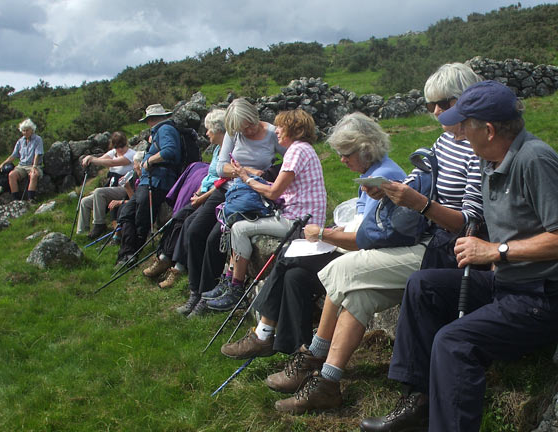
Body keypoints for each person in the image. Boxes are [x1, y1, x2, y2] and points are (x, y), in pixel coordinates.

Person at [271, 63, 485, 415]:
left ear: (465, 100)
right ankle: (327, 382)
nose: (433, 111)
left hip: (444, 250)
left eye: (441, 104)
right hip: (429, 242)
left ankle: (312, 357)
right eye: (431, 104)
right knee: (359, 294)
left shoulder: (476, 148)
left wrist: (419, 203)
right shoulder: (448, 139)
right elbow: (421, 173)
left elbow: (469, 223)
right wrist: (393, 192)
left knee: (342, 270)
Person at [360, 81, 558, 432]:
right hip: (506, 283)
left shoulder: (535, 160)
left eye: (464, 126)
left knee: (454, 342)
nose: (459, 134)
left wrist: (496, 250)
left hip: (540, 296)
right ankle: (418, 400)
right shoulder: (490, 160)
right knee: (423, 286)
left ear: (489, 129)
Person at [219, 112, 406, 359]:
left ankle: (264, 334)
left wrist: (324, 234)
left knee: (289, 258)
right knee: (295, 277)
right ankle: (298, 352)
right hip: (357, 249)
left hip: (368, 257)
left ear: (365, 149)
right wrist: (339, 230)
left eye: (345, 154)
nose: (340, 160)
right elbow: (364, 225)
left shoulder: (384, 177)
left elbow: (366, 239)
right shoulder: (375, 171)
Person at [204, 109, 328, 312]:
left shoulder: (296, 151)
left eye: (281, 127)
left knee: (239, 228)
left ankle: (236, 289)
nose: (276, 131)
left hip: (300, 221)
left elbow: (273, 191)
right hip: (302, 216)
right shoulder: (303, 149)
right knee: (242, 219)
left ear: (294, 130)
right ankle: (229, 282)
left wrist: (246, 178)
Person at [176, 98, 285, 316]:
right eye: (242, 129)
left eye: (250, 126)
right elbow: (219, 167)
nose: (248, 131)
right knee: (195, 230)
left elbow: (291, 159)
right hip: (227, 189)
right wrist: (242, 172)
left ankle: (207, 296)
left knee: (215, 239)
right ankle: (195, 291)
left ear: (254, 117)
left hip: (251, 195)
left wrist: (262, 175)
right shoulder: (233, 132)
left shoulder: (272, 133)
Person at [143, 109, 226, 290]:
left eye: (209, 129)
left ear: (218, 129)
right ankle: (165, 257)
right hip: (203, 194)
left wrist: (202, 197)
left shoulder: (228, 152)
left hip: (213, 197)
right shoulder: (218, 149)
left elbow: (222, 182)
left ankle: (179, 267)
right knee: (178, 217)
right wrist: (198, 191)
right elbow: (210, 176)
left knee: (189, 223)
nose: (206, 133)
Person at [115, 104, 182, 266]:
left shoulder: (165, 129)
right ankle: (127, 252)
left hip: (157, 181)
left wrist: (149, 160)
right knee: (127, 213)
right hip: (150, 181)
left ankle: (131, 253)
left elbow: (170, 150)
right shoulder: (163, 130)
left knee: (140, 216)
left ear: (151, 120)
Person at [76, 131, 136, 239]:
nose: (120, 149)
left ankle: (99, 224)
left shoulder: (131, 155)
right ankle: (82, 232)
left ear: (126, 143)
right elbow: (101, 160)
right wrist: (90, 158)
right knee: (85, 202)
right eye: (117, 146)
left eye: (122, 146)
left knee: (99, 192)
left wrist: (93, 159)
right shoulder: (113, 153)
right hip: (111, 187)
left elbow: (113, 163)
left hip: (124, 188)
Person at [0, 118, 44, 202]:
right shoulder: (20, 141)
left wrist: (34, 166)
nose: (25, 132)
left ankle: (31, 198)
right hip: (22, 166)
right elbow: (13, 155)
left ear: (32, 130)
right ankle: (16, 199)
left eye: (27, 130)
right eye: (23, 131)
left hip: (33, 164)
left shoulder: (38, 139)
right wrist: (3, 163)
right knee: (11, 175)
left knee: (34, 175)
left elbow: (37, 154)